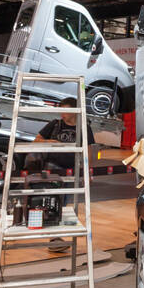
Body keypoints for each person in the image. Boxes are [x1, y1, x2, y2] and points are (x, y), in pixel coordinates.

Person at [31, 96, 81, 253]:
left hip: (72, 170)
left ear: (74, 111)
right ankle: (54, 238)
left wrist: (87, 171)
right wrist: (52, 143)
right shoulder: (55, 124)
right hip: (54, 169)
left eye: (65, 110)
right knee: (54, 202)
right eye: (61, 110)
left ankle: (56, 237)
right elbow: (36, 141)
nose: (62, 114)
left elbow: (88, 149)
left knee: (65, 204)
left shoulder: (83, 127)